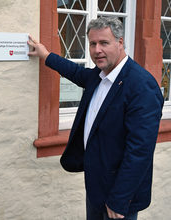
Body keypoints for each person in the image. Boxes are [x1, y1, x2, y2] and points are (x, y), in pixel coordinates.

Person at [28, 17, 164, 219]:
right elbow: (75, 72)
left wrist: (119, 199)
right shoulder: (98, 76)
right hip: (96, 187)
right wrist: (45, 55)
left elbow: (140, 151)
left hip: (118, 196)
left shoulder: (141, 86)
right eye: (93, 44)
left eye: (104, 43)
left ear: (120, 42)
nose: (97, 50)